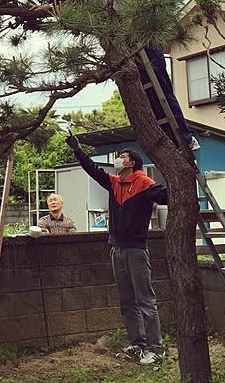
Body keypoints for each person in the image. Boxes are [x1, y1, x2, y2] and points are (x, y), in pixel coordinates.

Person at [87, 0, 200, 152]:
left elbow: (128, 3)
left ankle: (185, 137)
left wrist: (115, 23)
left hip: (141, 37)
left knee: (161, 87)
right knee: (147, 94)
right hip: (126, 44)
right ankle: (170, 139)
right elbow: (86, 8)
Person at [66, 138, 166, 365]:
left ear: (132, 163)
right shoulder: (115, 183)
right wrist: (77, 149)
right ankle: (137, 343)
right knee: (126, 300)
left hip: (136, 249)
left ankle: (155, 348)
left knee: (145, 299)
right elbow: (93, 170)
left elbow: (164, 195)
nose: (118, 160)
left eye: (122, 157)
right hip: (116, 248)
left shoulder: (144, 183)